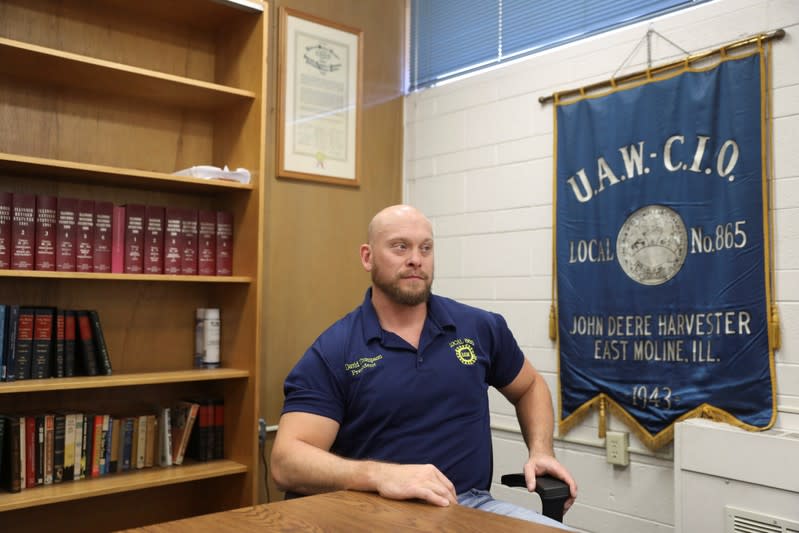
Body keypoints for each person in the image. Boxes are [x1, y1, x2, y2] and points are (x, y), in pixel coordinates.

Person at [270, 204, 577, 529]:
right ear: (367, 257)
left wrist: (541, 450)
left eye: (425, 248)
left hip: (468, 507)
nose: (416, 258)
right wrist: (378, 475)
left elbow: (529, 387)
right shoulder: (335, 349)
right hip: (372, 513)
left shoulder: (479, 327)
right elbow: (286, 461)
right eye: (400, 246)